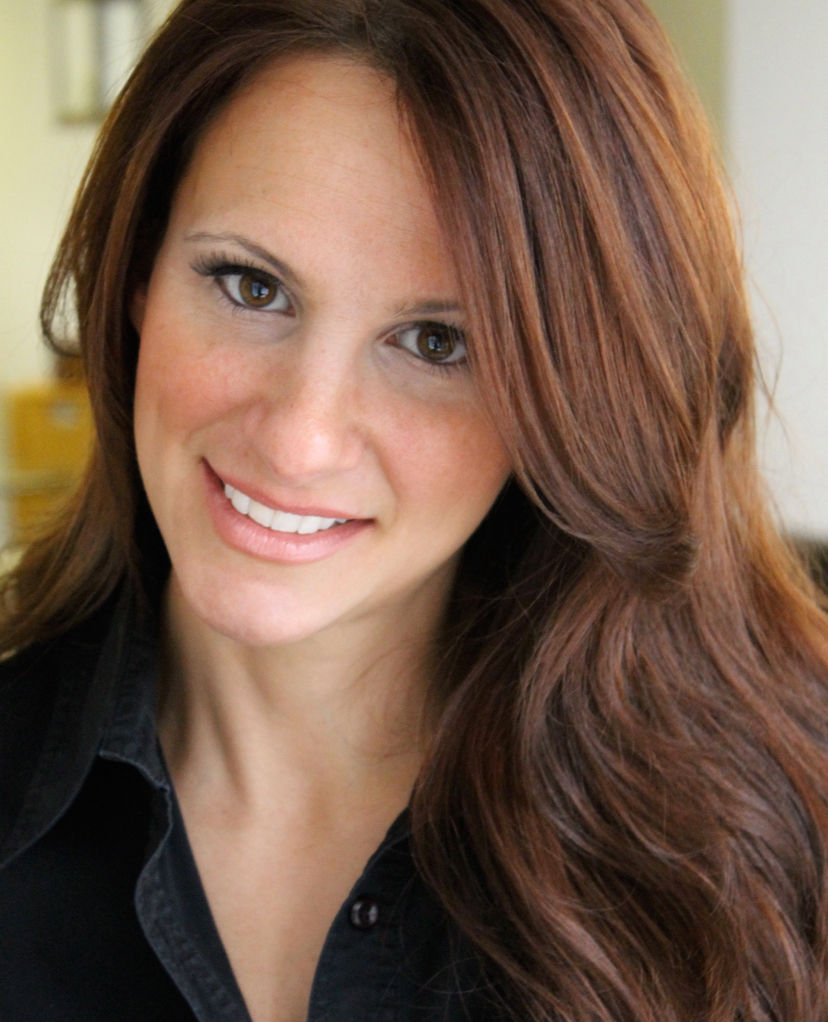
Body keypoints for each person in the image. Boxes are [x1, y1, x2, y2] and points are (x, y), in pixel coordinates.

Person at [2, 0, 827, 1019]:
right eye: (249, 285)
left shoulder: (781, 833)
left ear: (573, 399)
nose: (301, 436)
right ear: (135, 276)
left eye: (438, 344)